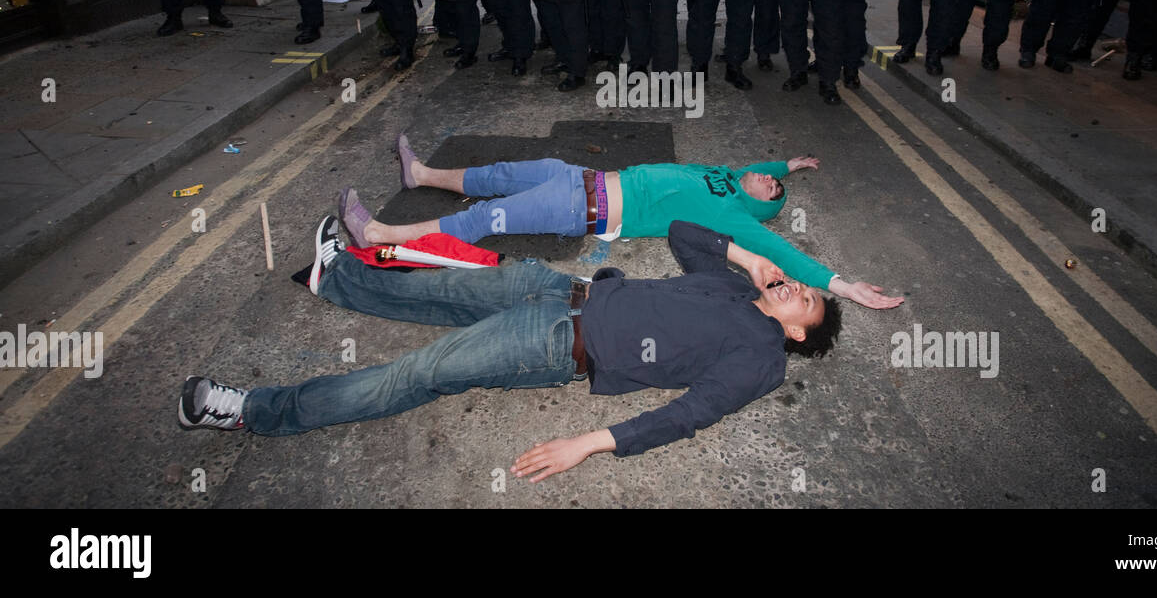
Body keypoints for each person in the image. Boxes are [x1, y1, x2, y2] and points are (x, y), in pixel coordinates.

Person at [178, 220, 885, 482]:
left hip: (555, 342)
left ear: (799, 334)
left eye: (807, 301)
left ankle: (249, 410)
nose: (798, 288)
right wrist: (751, 259)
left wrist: (590, 442)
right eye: (803, 286)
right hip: (561, 286)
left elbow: (688, 414)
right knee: (440, 291)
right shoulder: (738, 291)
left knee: (416, 372)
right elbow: (681, 232)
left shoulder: (760, 356)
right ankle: (340, 277)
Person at [340, 138, 900, 309]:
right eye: (771, 179)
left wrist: (842, 285)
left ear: (761, 208)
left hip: (582, 209)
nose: (771, 184)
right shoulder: (728, 175)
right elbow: (763, 167)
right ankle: (423, 174)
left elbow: (787, 255)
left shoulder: (733, 214)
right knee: (500, 173)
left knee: (487, 218)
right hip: (579, 174)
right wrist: (790, 165)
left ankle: (379, 235)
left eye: (775, 192)